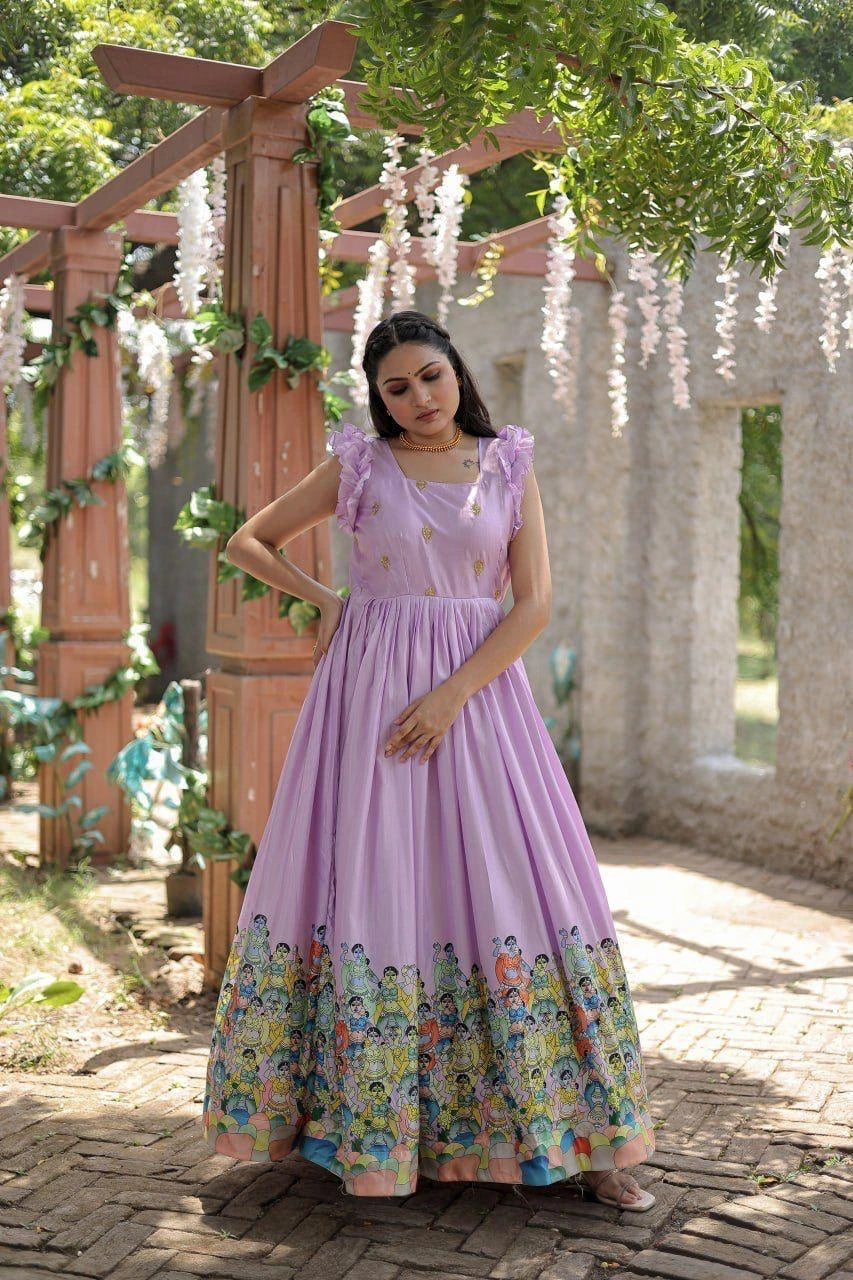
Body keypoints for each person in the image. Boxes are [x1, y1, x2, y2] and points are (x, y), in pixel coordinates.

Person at [201, 309, 657, 1209]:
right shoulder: (361, 466)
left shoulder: (507, 464)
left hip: (478, 701)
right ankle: (349, 1124)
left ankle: (590, 1139)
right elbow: (246, 540)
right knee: (368, 879)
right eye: (395, 387)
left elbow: (530, 607)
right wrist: (326, 602)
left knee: (519, 885)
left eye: (430, 377)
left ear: (458, 372)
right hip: (365, 702)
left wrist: (452, 694)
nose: (418, 398)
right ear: (378, 398)